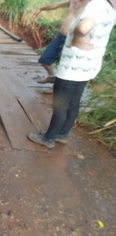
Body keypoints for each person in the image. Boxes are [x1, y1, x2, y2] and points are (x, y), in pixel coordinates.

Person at [28, 0, 116, 148]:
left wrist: (77, 35)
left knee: (60, 105)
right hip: (89, 65)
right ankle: (62, 134)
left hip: (74, 64)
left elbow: (83, 28)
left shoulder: (97, 4)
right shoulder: (111, 8)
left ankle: (48, 138)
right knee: (74, 102)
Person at [33, 0, 90, 94]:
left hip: (72, 39)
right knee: (44, 59)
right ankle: (51, 77)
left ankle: (55, 87)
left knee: (63, 65)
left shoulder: (92, 4)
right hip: (60, 37)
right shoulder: (73, 1)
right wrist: (41, 8)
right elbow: (56, 4)